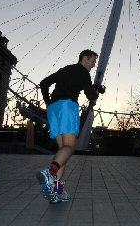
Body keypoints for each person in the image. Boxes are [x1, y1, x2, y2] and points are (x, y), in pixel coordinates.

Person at [37, 49, 99, 203]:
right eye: (92, 61)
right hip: (67, 107)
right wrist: (97, 92)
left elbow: (44, 83)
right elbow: (90, 95)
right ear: (85, 58)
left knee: (62, 151)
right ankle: (50, 172)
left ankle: (56, 189)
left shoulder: (64, 69)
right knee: (70, 147)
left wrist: (47, 102)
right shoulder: (84, 72)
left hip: (54, 109)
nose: (93, 65)